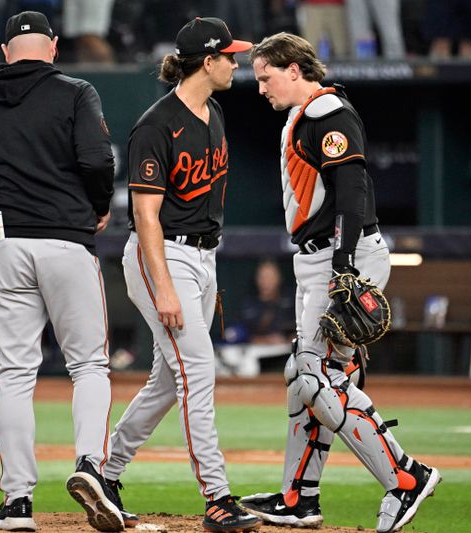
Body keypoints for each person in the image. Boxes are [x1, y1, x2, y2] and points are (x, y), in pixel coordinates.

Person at [242, 32, 441, 533]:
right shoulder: (303, 115)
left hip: (340, 259)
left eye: (266, 76)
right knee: (302, 379)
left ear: (293, 68)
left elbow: (354, 191)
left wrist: (346, 269)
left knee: (318, 379)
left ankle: (406, 477)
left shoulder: (327, 113)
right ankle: (299, 498)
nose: (260, 87)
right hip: (319, 260)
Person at [0, 11, 121, 532]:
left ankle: (16, 502)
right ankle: (91, 464)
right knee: (88, 365)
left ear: (6, 51)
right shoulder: (75, 91)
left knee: (15, 373)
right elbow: (97, 161)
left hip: (4, 241)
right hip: (66, 238)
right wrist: (96, 205)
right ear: (51, 47)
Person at [101, 17, 261, 533]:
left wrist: (203, 275)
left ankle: (104, 473)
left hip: (202, 257)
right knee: (199, 371)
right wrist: (167, 285)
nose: (236, 63)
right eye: (229, 55)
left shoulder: (212, 112)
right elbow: (145, 215)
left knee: (169, 381)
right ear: (207, 61)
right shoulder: (155, 124)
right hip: (161, 256)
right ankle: (217, 497)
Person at [237, 259, 295, 345]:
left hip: (287, 350)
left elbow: (300, 331)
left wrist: (289, 339)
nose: (266, 282)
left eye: (270, 277)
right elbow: (239, 335)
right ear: (256, 279)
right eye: (262, 277)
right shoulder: (248, 305)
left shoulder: (290, 302)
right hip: (256, 352)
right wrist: (267, 340)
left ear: (279, 278)